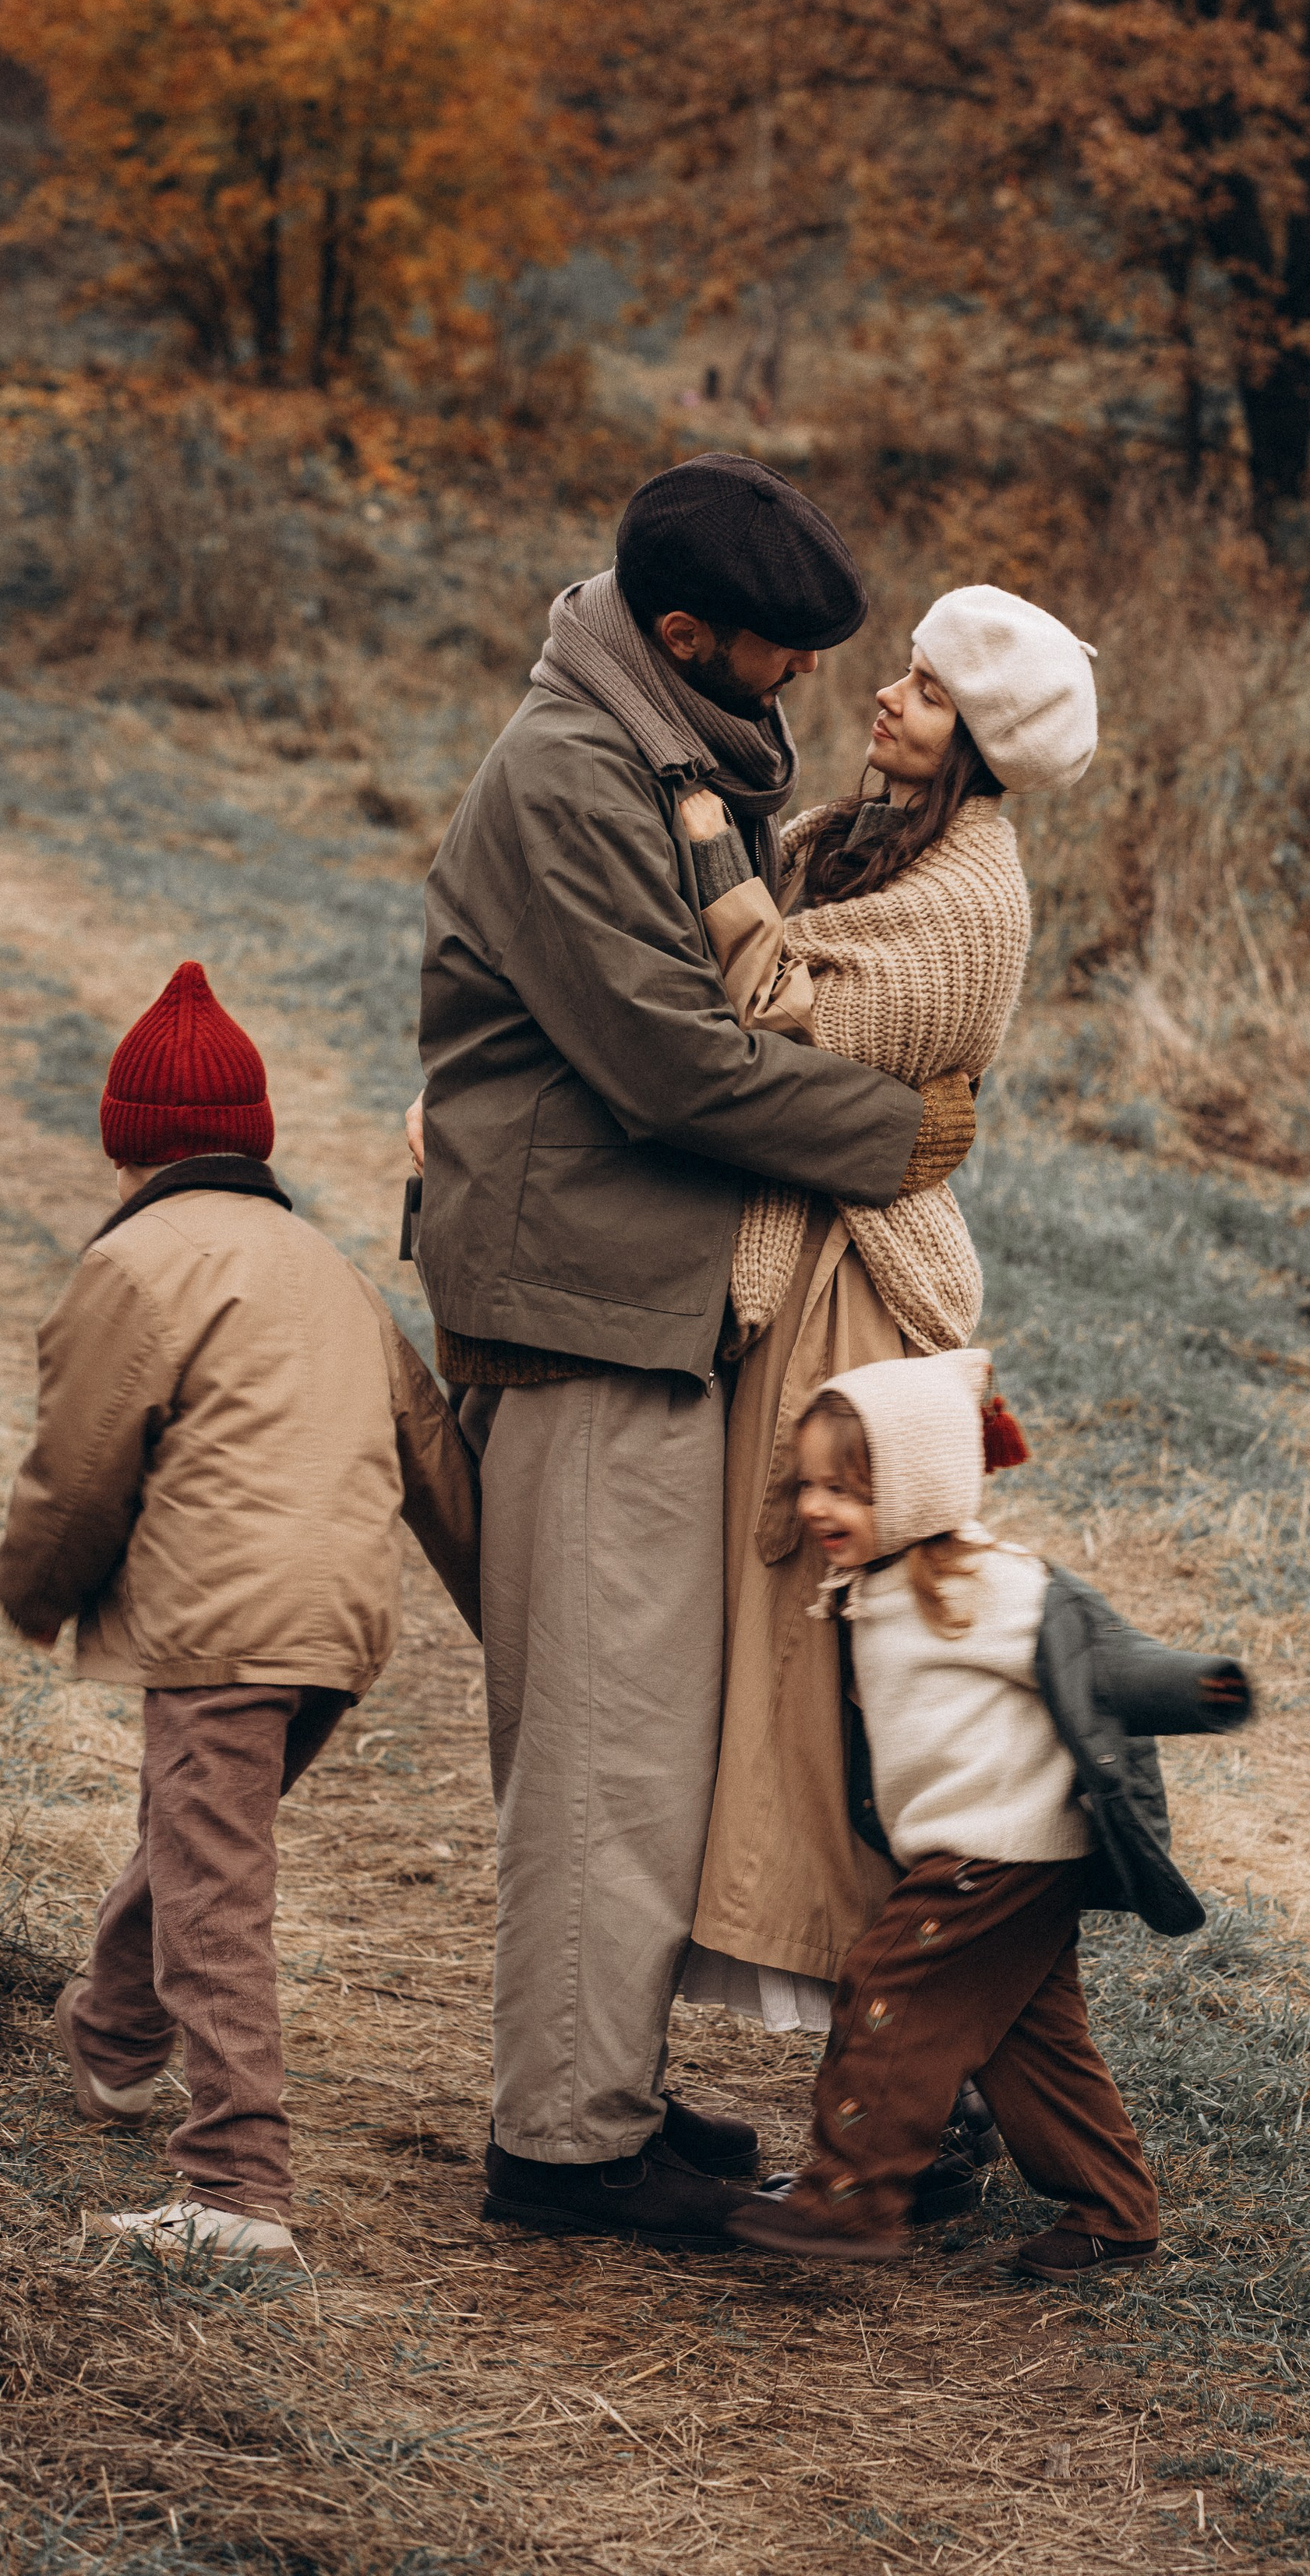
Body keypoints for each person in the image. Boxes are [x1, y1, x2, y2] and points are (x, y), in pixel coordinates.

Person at [411, 453, 979, 2248]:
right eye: (777, 650)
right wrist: (897, 1133)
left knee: (644, 1731)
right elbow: (670, 1062)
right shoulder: (568, 778)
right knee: (599, 1739)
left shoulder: (671, 747)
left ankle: (604, 2093)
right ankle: (563, 2150)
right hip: (580, 1299)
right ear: (681, 635)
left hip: (637, 1289)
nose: (806, 682)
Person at [0, 962, 479, 2269]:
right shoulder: (319, 1264)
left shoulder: (138, 1262)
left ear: (125, 1145)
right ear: (251, 1140)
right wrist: (510, 1611)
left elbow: (81, 1460)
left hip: (223, 1621)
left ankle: (235, 2185)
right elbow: (434, 1450)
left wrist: (31, 1593)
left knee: (213, 1877)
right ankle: (113, 2036)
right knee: (200, 1829)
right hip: (337, 1625)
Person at [676, 585, 1100, 2069]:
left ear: (981, 742)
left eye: (923, 691)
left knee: (847, 1657)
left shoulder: (973, 896)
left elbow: (772, 1010)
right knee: (786, 1638)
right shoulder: (852, 839)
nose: (887, 699)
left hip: (864, 1292)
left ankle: (943, 2048)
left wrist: (700, 843)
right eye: (903, 676)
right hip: (807, 1260)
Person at [722, 1348, 1252, 2271]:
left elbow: (1097, 1655)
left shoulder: (991, 1581)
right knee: (1027, 2041)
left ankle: (849, 2198)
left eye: (847, 1490)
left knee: (889, 1991)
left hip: (999, 1851)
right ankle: (1112, 2216)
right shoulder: (870, 1584)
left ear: (921, 1490)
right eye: (809, 1485)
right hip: (987, 1854)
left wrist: (1199, 1689)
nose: (816, 1508)